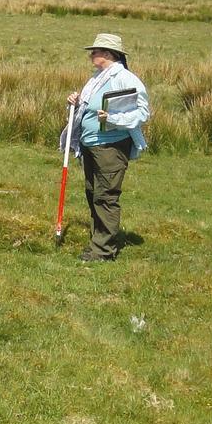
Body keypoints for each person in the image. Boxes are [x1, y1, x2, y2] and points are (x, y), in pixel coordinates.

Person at [67, 32, 150, 262]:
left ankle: (104, 251)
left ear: (107, 54)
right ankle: (98, 241)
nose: (91, 55)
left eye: (94, 51)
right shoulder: (97, 78)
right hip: (90, 145)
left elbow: (142, 113)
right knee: (93, 193)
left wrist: (113, 119)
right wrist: (75, 102)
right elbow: (87, 108)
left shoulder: (126, 79)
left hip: (111, 148)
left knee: (105, 196)